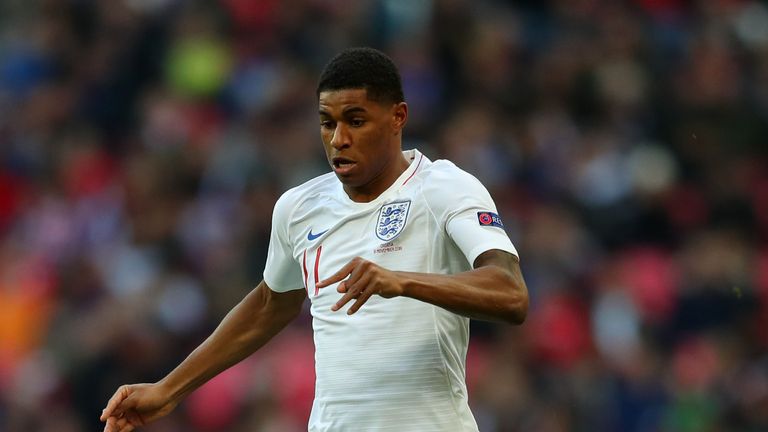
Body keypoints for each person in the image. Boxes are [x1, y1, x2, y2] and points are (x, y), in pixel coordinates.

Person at [101, 47, 529, 432]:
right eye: (328, 123)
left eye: (356, 121)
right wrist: (168, 390)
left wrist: (404, 281)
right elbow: (272, 302)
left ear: (398, 117)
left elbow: (511, 293)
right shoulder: (299, 207)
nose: (339, 139)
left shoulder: (443, 188)